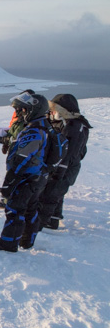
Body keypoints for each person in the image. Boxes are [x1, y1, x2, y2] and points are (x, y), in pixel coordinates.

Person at [0, 92, 51, 252]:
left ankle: (8, 243)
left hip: (26, 177)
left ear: (32, 110)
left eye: (23, 110)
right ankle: (27, 241)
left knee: (15, 210)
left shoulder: (33, 132)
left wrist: (10, 182)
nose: (19, 113)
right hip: (37, 176)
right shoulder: (43, 126)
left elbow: (21, 159)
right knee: (30, 209)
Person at [38, 94, 92, 230]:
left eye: (55, 110)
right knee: (55, 193)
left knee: (51, 194)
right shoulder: (63, 123)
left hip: (65, 167)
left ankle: (43, 222)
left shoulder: (74, 127)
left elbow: (70, 152)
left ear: (64, 111)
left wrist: (58, 170)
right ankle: (53, 218)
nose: (52, 112)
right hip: (62, 166)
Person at [0, 89, 35, 209]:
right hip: (14, 151)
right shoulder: (21, 118)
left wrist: (5, 140)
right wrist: (6, 138)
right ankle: (9, 196)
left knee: (16, 174)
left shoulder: (29, 121)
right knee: (12, 173)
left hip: (20, 153)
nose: (17, 110)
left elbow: (20, 138)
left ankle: (10, 199)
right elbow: (14, 131)